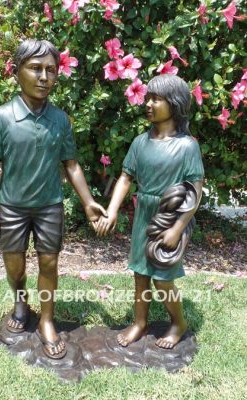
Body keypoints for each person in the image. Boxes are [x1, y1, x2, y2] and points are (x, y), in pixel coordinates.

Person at [0, 39, 107, 359]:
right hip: (12, 206)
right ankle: (21, 303)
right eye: (35, 68)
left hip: (49, 205)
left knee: (49, 263)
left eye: (51, 70)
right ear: (17, 71)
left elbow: (71, 164)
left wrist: (88, 201)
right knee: (14, 266)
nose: (43, 77)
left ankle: (47, 320)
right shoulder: (1, 117)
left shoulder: (60, 120)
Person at [96, 74, 204, 349]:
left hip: (170, 217)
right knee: (141, 274)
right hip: (144, 215)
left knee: (163, 279)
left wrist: (177, 228)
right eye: (147, 98)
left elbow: (195, 191)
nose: (149, 104)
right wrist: (111, 211)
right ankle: (140, 322)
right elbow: (125, 178)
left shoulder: (187, 146)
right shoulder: (140, 143)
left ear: (175, 104)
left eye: (157, 99)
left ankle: (178, 323)